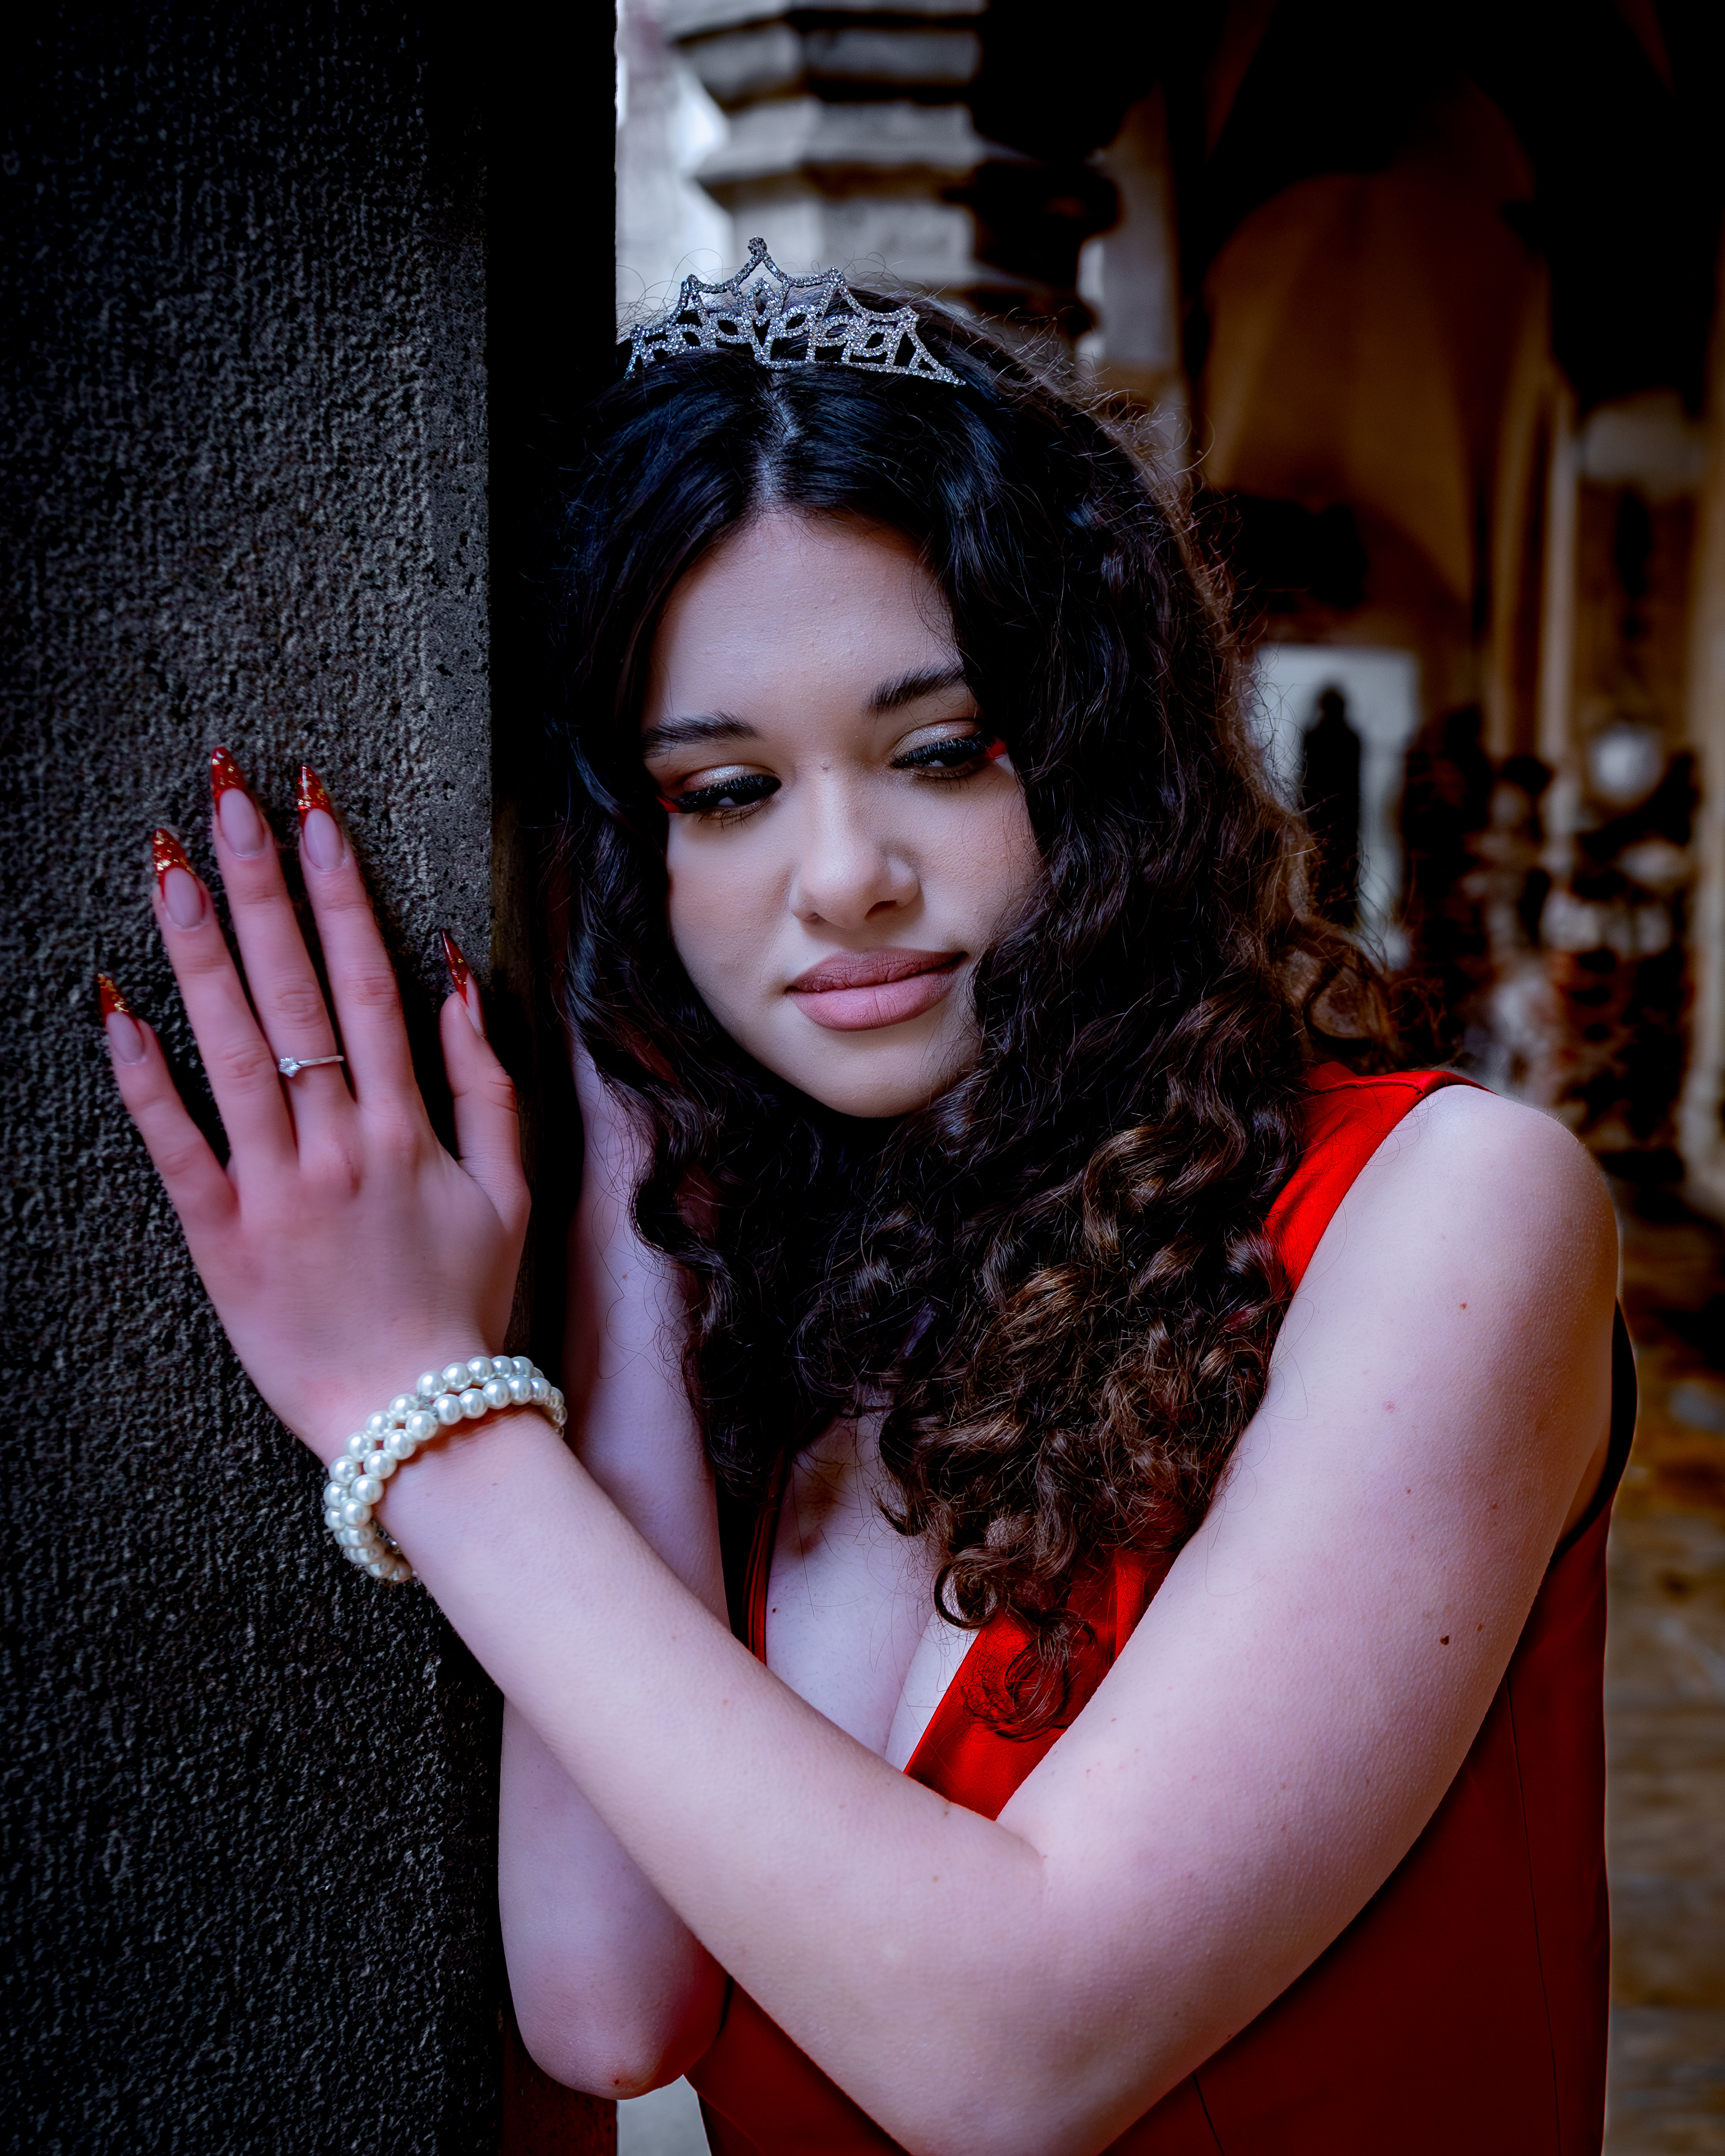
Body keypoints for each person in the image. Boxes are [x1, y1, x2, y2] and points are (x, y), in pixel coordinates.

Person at [100, 248, 1628, 2156]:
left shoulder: (1454, 1211)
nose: (843, 878)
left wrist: (410, 1407)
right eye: (723, 792)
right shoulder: (771, 1306)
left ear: (1099, 751)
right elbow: (606, 2001)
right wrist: (619, 1154)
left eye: (940, 752)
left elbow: (1016, 2057)